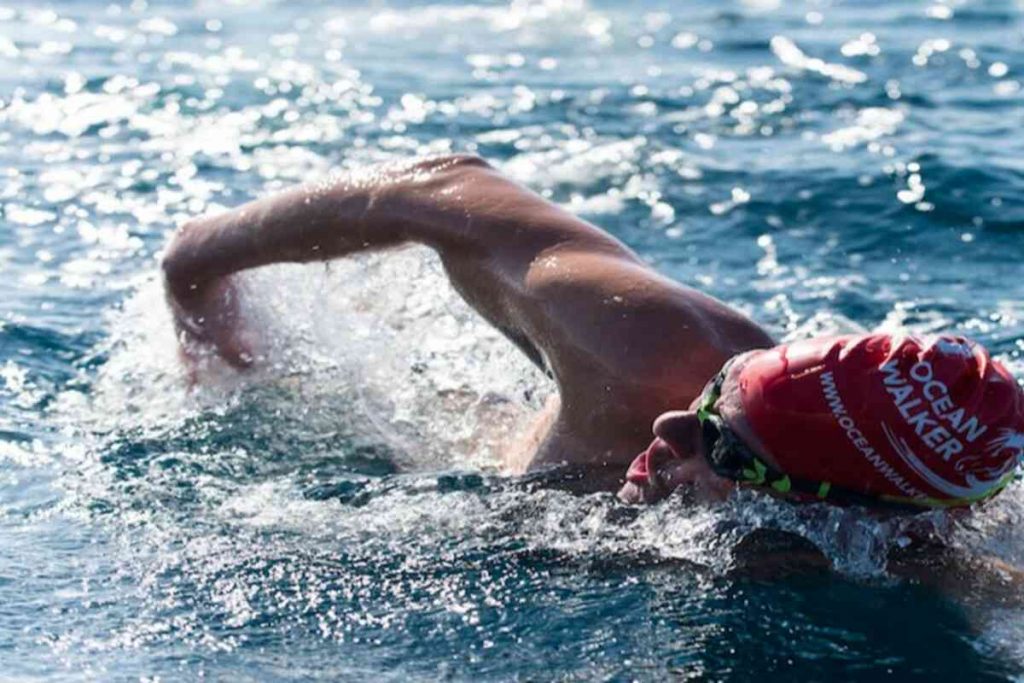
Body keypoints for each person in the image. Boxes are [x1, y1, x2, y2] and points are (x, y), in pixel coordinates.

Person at [161, 154, 1024, 515]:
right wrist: (196, 268)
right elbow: (439, 189)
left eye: (725, 447)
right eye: (714, 398)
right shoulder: (647, 353)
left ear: (841, 514)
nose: (671, 428)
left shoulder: (937, 564)